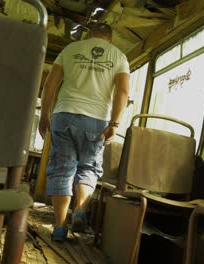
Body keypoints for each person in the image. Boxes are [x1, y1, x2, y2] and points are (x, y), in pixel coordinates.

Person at [38, 22, 130, 242]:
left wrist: (44, 116)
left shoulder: (70, 50)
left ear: (89, 35)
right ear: (110, 39)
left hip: (64, 114)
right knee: (88, 167)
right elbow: (123, 92)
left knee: (62, 169)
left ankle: (59, 226)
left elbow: (50, 85)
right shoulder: (118, 56)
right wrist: (114, 125)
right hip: (96, 120)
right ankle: (79, 210)